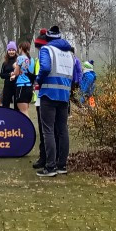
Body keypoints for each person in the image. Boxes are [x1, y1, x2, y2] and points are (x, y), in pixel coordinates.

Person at [36, 25, 74, 177]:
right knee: (62, 130)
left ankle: (50, 167)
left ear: (49, 38)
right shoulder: (69, 53)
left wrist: (38, 80)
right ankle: (62, 165)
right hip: (64, 96)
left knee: (48, 130)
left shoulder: (47, 50)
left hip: (49, 94)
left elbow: (45, 67)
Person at [31, 29, 50, 171]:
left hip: (45, 95)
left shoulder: (46, 55)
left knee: (46, 130)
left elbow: (43, 73)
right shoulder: (39, 58)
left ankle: (47, 158)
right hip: (40, 95)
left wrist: (38, 81)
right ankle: (45, 156)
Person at [12, 41, 34, 116]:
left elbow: (16, 73)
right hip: (29, 86)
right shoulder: (32, 60)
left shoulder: (20, 58)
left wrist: (14, 68)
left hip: (22, 85)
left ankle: (27, 127)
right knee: (26, 109)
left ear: (21, 48)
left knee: (23, 111)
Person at [0, 42, 19, 108]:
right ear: (7, 51)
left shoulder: (19, 61)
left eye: (13, 50)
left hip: (17, 85)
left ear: (15, 51)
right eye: (10, 50)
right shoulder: (5, 63)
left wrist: (15, 75)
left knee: (17, 105)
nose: (11, 52)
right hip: (7, 86)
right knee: (5, 104)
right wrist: (9, 74)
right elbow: (2, 75)